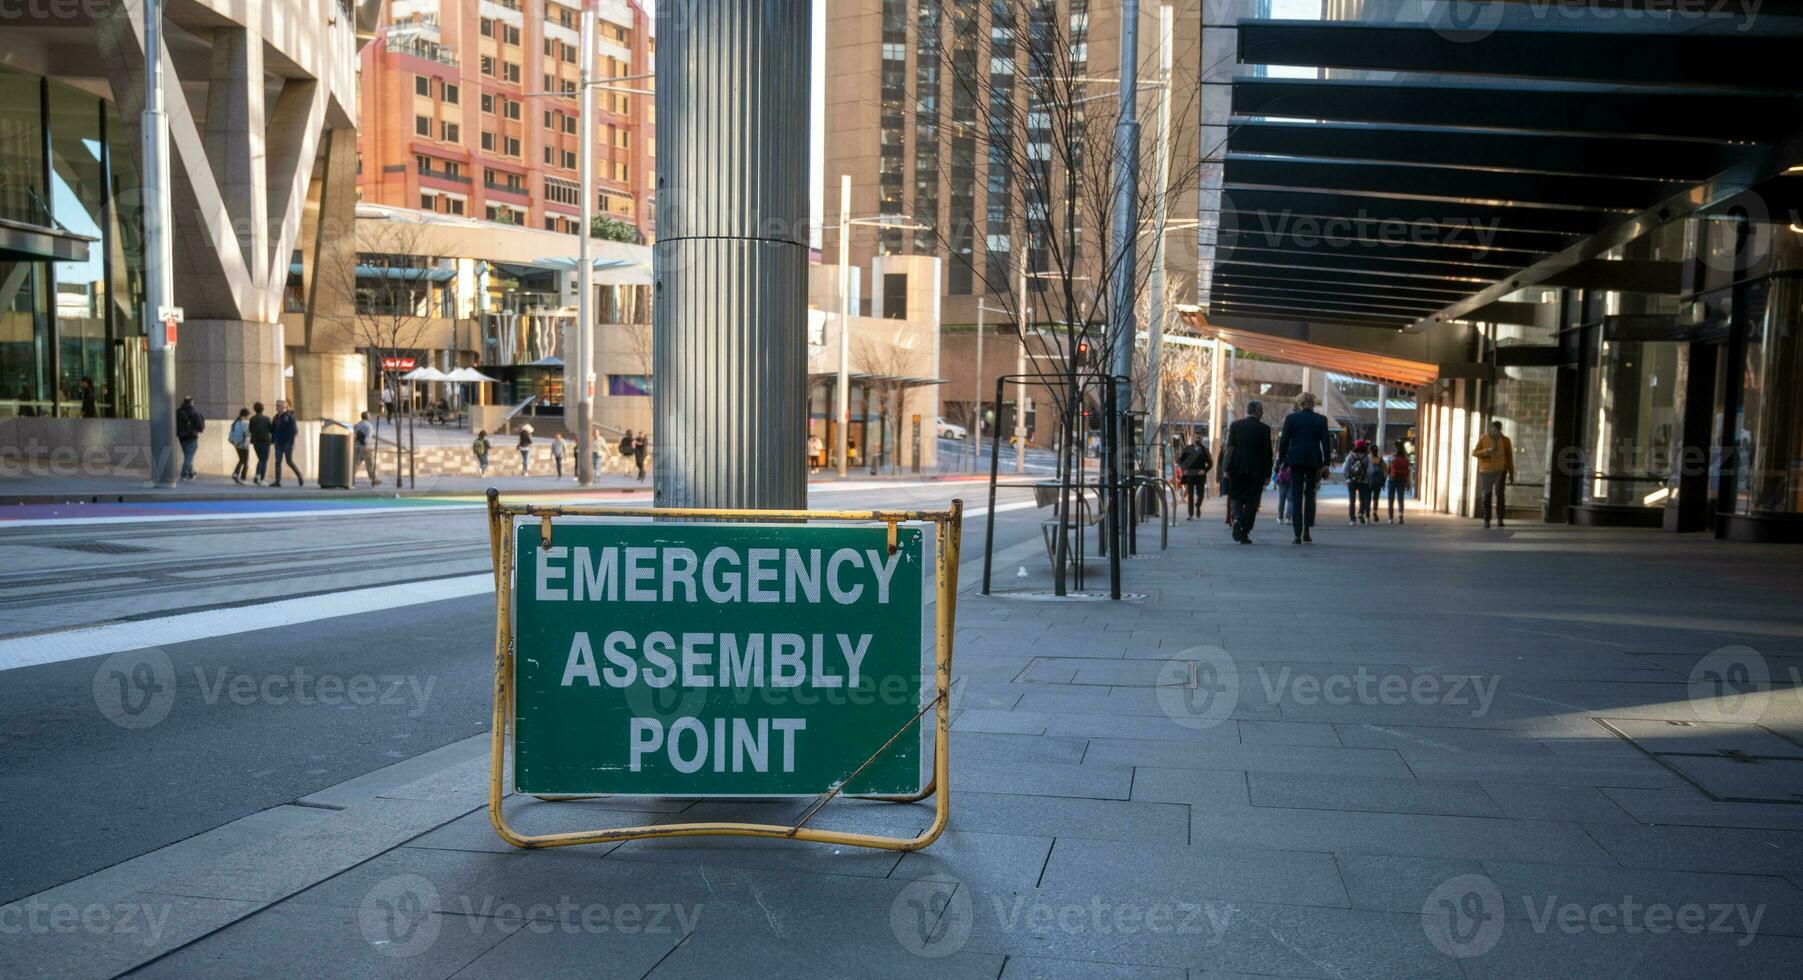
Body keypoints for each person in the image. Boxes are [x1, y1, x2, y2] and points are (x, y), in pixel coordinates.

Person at [1277, 391, 1333, 544]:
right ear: (1312, 403)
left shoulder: (1291, 419)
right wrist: (1326, 463)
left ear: (1300, 403)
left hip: (1295, 460)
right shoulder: (1321, 420)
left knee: (1296, 495)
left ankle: (1297, 533)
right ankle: (1307, 530)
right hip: (1313, 460)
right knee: (1310, 494)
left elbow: (1284, 442)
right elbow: (1325, 443)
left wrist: (1281, 460)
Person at [1222, 400, 1274, 544]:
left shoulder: (1235, 426)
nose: (1263, 412)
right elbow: (1267, 454)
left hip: (1237, 468)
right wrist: (1268, 474)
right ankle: (1245, 532)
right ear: (1256, 411)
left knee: (1236, 497)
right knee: (1253, 502)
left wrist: (1226, 468)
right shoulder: (1264, 429)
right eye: (1261, 410)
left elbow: (1229, 448)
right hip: (1257, 471)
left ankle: (1237, 518)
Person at [1472, 419, 1515, 528]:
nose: (1496, 432)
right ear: (1491, 429)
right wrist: (1487, 451)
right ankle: (1487, 519)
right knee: (1487, 494)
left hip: (1501, 471)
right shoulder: (1484, 438)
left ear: (1501, 430)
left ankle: (1500, 519)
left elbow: (1509, 458)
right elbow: (1474, 453)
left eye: (1498, 430)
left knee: (1500, 494)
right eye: (1494, 430)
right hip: (1486, 471)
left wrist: (1511, 473)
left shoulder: (1506, 440)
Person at [1177, 438, 1212, 520]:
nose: (1196, 439)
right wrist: (1183, 469)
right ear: (1193, 438)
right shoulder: (1188, 448)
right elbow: (1180, 460)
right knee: (1190, 495)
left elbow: (1210, 463)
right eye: (1195, 437)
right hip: (1190, 474)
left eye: (1198, 437)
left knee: (1201, 495)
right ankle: (1190, 514)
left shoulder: (1204, 450)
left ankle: (1198, 505)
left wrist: (1204, 470)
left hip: (1200, 475)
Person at [270, 399, 302, 486]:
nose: (278, 407)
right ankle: (277, 481)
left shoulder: (289, 416)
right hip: (278, 443)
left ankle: (299, 476)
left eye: (280, 405)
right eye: (277, 405)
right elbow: (272, 430)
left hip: (287, 443)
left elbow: (294, 430)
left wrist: (290, 442)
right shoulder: (276, 417)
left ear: (285, 407)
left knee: (289, 461)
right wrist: (274, 440)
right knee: (277, 462)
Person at [174, 395, 205, 481]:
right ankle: (184, 474)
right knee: (189, 457)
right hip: (191, 437)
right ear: (191, 402)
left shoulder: (178, 412)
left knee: (188, 456)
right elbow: (200, 425)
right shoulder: (193, 411)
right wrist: (198, 430)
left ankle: (191, 472)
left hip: (181, 437)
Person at [1344, 439, 1371, 525]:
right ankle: (1361, 513)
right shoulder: (1367, 457)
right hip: (1363, 480)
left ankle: (1352, 519)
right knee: (1362, 499)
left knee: (1352, 500)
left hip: (1351, 481)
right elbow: (1370, 470)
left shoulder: (1350, 456)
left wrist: (1347, 477)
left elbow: (1345, 468)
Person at [1387, 439, 1411, 524]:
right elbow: (1408, 471)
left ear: (1395, 447)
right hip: (1402, 479)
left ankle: (1390, 518)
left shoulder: (1391, 457)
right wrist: (1408, 483)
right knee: (1400, 499)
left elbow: (1388, 470)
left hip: (1392, 479)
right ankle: (1400, 515)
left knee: (1391, 499)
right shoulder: (1406, 458)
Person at [354, 411, 380, 487]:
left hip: (356, 447)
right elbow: (367, 438)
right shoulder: (369, 426)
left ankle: (350, 479)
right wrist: (366, 446)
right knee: (370, 464)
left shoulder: (356, 425)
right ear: (367, 417)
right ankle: (373, 479)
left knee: (355, 464)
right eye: (370, 416)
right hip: (365, 448)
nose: (370, 417)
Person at [248, 401, 272, 485]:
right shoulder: (267, 419)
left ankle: (257, 475)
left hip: (255, 442)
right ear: (263, 409)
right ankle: (261, 478)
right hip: (265, 442)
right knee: (263, 460)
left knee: (261, 459)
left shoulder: (252, 419)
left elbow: (250, 430)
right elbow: (271, 429)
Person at [227, 408, 251, 484]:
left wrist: (234, 443)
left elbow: (230, 436)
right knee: (246, 462)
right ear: (246, 415)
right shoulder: (246, 423)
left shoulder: (235, 423)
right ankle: (243, 478)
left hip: (236, 445)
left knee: (241, 459)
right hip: (244, 445)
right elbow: (247, 434)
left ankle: (236, 473)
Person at [1367, 444, 1387, 523]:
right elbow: (1385, 471)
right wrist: (1383, 480)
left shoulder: (1368, 460)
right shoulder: (1380, 460)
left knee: (1368, 499)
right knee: (1376, 499)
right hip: (1378, 482)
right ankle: (1375, 511)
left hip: (1368, 482)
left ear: (1370, 451)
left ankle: (1367, 516)